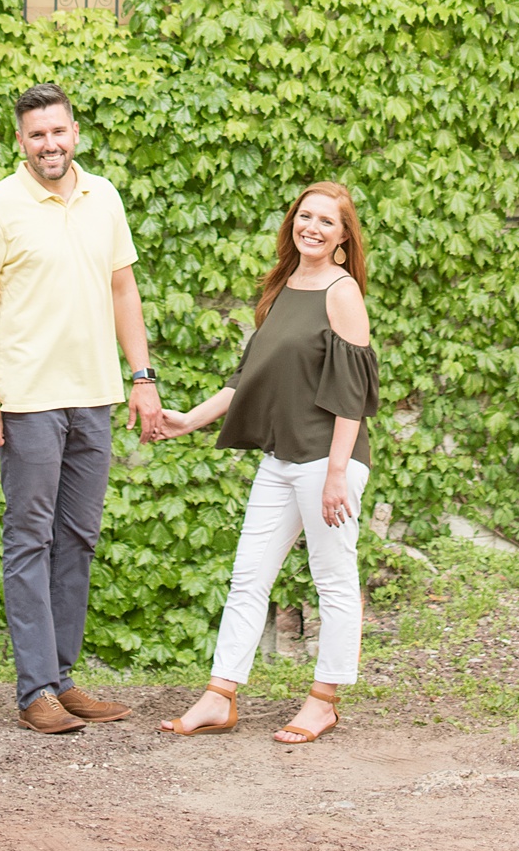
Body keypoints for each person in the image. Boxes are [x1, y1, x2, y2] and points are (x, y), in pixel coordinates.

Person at [0, 83, 164, 734]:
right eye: (37, 134)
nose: (50, 143)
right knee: (29, 539)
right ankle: (35, 688)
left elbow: (123, 289)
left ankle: (63, 679)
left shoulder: (104, 198)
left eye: (59, 131)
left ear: (76, 132)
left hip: (94, 394)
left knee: (78, 538)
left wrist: (142, 376)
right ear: (21, 140)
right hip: (29, 401)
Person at [155, 182, 378, 745]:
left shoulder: (341, 291)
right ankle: (219, 697)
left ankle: (324, 700)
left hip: (328, 461)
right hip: (282, 460)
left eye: (328, 221)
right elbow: (246, 379)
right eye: (306, 216)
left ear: (345, 237)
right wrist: (187, 420)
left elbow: (352, 392)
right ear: (293, 222)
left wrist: (335, 473)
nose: (314, 227)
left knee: (333, 579)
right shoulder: (283, 288)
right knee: (248, 577)